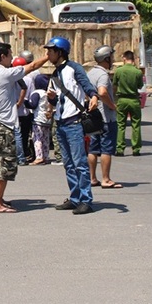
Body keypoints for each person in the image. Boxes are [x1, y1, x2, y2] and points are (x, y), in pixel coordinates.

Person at [0, 43, 50, 212]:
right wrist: (49, 55)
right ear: (3, 57)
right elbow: (32, 66)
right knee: (3, 166)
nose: (12, 58)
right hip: (3, 126)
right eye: (10, 54)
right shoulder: (5, 74)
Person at [45, 36, 100, 215]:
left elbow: (86, 85)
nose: (47, 54)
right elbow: (55, 99)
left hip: (74, 123)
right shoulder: (54, 74)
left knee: (80, 164)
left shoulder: (74, 68)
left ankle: (86, 200)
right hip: (60, 123)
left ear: (59, 52)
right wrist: (51, 100)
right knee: (68, 164)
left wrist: (93, 96)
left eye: (50, 51)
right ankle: (75, 198)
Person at [87, 45, 122, 189]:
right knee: (106, 149)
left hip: (93, 118)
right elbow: (102, 92)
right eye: (111, 56)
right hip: (106, 118)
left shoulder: (90, 73)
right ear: (106, 58)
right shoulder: (102, 75)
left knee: (93, 149)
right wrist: (112, 105)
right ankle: (106, 179)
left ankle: (92, 178)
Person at [112, 50, 144, 156]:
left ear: (124, 58)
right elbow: (140, 86)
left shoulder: (119, 71)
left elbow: (114, 85)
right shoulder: (138, 72)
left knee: (121, 125)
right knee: (136, 125)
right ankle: (136, 149)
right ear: (133, 59)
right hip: (134, 100)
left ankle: (120, 149)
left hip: (122, 100)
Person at [25, 73, 53, 164]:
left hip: (38, 119)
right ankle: (46, 156)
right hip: (47, 119)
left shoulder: (36, 93)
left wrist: (25, 102)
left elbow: (33, 105)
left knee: (37, 139)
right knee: (45, 139)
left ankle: (39, 157)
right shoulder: (47, 93)